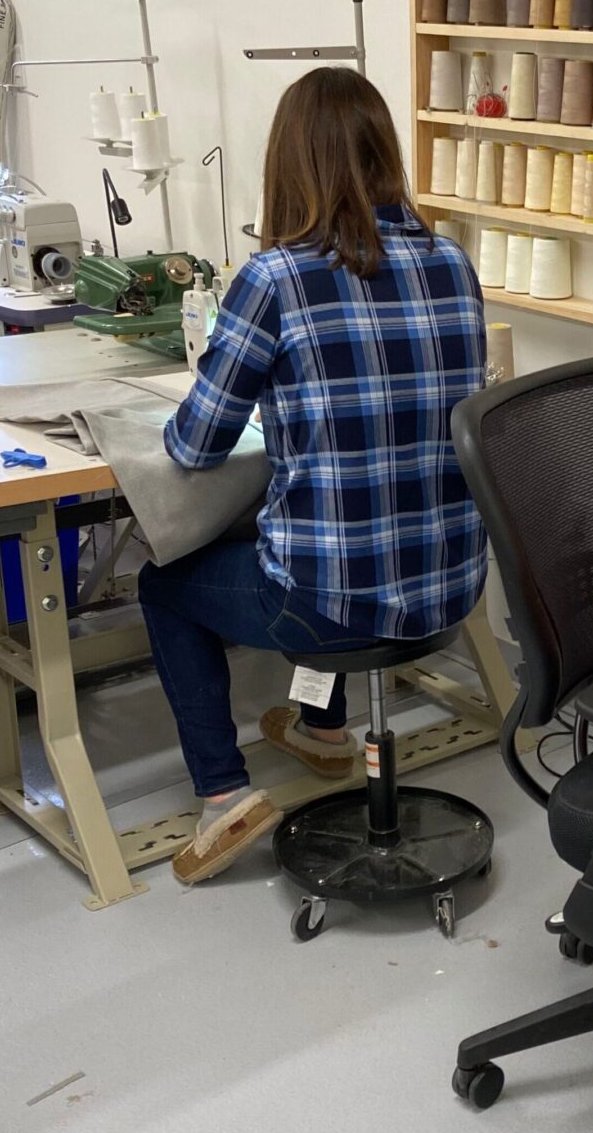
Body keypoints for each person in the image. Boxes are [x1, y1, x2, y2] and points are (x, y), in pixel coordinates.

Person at [138, 68, 487, 886]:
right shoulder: (453, 262)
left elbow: (196, 446)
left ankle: (223, 793)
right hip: (449, 589)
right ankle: (323, 728)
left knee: (165, 584)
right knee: (325, 522)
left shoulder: (278, 279)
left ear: (288, 165)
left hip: (332, 604)